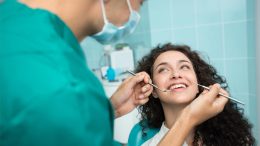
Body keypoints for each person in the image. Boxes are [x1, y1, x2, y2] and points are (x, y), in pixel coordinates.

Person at [0, 0, 229, 146]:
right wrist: (188, 118)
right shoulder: (67, 89)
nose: (136, 12)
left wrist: (112, 109)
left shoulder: (11, 24)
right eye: (140, 1)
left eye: (184, 66)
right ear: (155, 92)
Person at [134, 43, 255, 146]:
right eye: (163, 69)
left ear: (198, 84)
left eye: (184, 67)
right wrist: (189, 117)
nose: (176, 74)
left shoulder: (234, 138)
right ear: (153, 90)